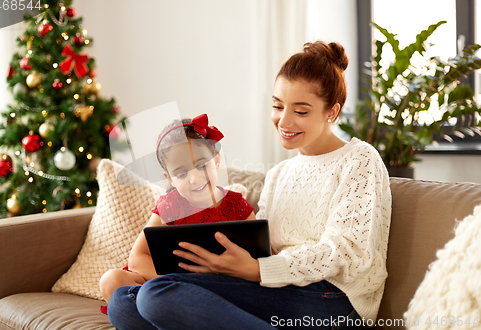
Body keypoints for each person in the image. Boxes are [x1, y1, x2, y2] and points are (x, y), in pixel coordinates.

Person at [107, 41, 392, 330]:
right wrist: (236, 266)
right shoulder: (279, 173)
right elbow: (262, 246)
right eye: (277, 106)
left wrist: (258, 269)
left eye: (301, 111)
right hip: (272, 288)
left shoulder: (360, 159)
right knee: (123, 303)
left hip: (331, 298)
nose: (284, 120)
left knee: (154, 296)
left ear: (332, 111)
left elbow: (345, 252)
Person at [99, 114, 256, 304]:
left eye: (201, 166)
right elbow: (137, 258)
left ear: (216, 160)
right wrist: (175, 283)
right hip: (171, 284)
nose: (194, 178)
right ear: (170, 179)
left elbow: (258, 257)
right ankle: (161, 310)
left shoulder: (237, 205)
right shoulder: (170, 206)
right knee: (111, 280)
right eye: (181, 173)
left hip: (220, 287)